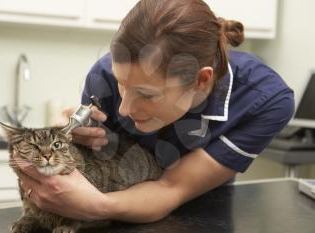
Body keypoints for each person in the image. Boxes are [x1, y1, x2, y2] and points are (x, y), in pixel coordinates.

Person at [18, 0, 294, 223]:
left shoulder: (266, 100)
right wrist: (63, 143)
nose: (124, 108)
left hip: (205, 216)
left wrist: (97, 206)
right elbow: (94, 170)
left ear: (201, 80)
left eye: (147, 95)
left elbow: (170, 188)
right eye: (121, 85)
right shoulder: (103, 75)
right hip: (120, 211)